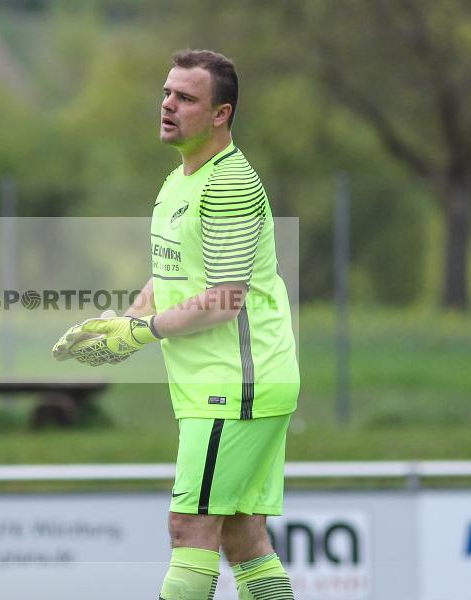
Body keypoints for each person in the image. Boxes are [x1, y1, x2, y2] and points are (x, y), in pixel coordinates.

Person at [53, 49, 299, 600]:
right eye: (167, 93)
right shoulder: (179, 180)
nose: (168, 105)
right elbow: (172, 276)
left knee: (189, 529)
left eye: (186, 98)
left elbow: (225, 300)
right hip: (226, 387)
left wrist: (142, 333)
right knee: (243, 537)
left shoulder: (230, 183)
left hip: (234, 386)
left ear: (221, 114)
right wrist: (119, 326)